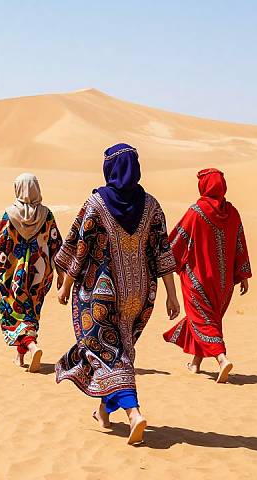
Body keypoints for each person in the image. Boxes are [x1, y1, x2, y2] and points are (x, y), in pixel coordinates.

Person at [55, 143, 180, 445]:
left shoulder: (96, 203)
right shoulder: (152, 206)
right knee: (114, 351)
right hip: (139, 293)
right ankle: (103, 410)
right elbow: (163, 252)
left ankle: (134, 413)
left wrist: (66, 284)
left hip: (102, 292)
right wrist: (172, 295)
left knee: (111, 353)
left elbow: (79, 248)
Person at [163, 168, 251, 383]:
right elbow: (240, 245)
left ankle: (221, 358)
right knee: (206, 320)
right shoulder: (233, 213)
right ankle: (195, 363)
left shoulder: (196, 211)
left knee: (203, 321)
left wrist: (160, 260)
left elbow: (176, 241)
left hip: (198, 280)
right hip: (224, 284)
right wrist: (243, 275)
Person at [0, 173, 63, 373]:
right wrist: (61, 273)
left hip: (12, 272)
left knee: (13, 310)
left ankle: (31, 345)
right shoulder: (47, 215)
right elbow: (56, 244)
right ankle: (20, 356)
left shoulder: (10, 214)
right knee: (30, 311)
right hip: (39, 272)